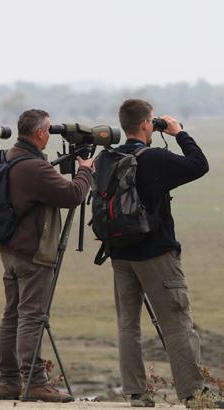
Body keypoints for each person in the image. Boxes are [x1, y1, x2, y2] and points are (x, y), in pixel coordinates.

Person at [110, 99, 221, 408]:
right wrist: (179, 133)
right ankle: (194, 394)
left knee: (128, 325)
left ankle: (135, 393)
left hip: (119, 253)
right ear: (147, 125)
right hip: (155, 252)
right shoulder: (155, 158)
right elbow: (200, 164)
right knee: (177, 322)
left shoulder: (110, 157)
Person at [0, 109, 93, 402]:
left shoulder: (12, 155)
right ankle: (34, 382)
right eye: (48, 130)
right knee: (32, 316)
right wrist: (86, 169)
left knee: (12, 314)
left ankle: (9, 381)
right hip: (33, 253)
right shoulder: (34, 168)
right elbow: (73, 194)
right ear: (39, 133)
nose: (50, 134)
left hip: (11, 250)